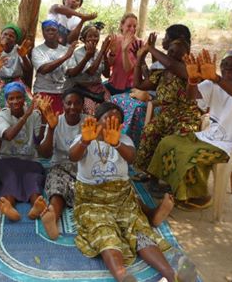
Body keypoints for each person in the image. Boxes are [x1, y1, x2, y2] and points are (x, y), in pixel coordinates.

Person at [68, 102, 188, 282]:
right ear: (97, 121)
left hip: (121, 198)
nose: (111, 125)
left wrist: (116, 143)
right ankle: (123, 276)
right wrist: (85, 141)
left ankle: (172, 275)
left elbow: (131, 158)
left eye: (116, 122)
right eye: (107, 120)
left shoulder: (124, 141)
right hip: (91, 201)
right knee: (103, 231)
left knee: (139, 230)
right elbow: (73, 156)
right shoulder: (84, 137)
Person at [148, 47, 232, 210]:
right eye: (225, 64)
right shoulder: (214, 82)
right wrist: (192, 80)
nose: (227, 68)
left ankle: (198, 197)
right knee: (169, 142)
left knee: (190, 154)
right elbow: (192, 97)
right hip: (210, 136)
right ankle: (175, 187)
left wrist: (216, 78)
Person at [133, 33, 202, 174]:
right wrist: (140, 58)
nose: (171, 55)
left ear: (186, 56)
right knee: (149, 131)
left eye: (177, 53)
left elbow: (170, 63)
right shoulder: (162, 72)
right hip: (165, 116)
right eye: (170, 51)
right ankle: (147, 173)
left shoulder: (189, 70)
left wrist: (150, 48)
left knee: (173, 140)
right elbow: (138, 84)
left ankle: (167, 177)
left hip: (186, 117)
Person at [0, 82, 47, 221]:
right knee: (11, 178)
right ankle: (9, 206)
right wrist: (25, 116)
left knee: (32, 179)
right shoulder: (3, 115)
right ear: (7, 101)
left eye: (19, 97)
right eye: (11, 98)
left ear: (24, 99)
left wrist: (44, 117)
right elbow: (8, 136)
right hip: (5, 159)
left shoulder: (34, 115)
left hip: (29, 159)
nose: (15, 101)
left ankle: (37, 205)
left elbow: (39, 141)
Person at [37, 88, 85, 239]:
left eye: (77, 103)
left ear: (83, 105)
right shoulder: (56, 120)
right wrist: (51, 129)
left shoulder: (88, 122)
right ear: (62, 104)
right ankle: (52, 216)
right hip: (59, 166)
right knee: (57, 190)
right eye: (68, 103)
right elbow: (45, 154)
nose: (72, 107)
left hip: (82, 168)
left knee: (84, 194)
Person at [105, 13, 150, 148]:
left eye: (134, 26)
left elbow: (128, 69)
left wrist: (125, 51)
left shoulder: (139, 44)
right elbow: (109, 65)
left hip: (129, 87)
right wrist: (112, 52)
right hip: (113, 84)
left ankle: (123, 142)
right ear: (122, 26)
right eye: (129, 25)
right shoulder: (116, 40)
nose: (132, 29)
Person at [65, 22, 112, 114]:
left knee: (109, 109)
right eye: (90, 36)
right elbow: (91, 71)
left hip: (99, 88)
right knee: (91, 111)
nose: (94, 39)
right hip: (83, 90)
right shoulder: (78, 53)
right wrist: (102, 51)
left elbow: (106, 75)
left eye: (96, 36)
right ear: (83, 39)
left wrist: (105, 55)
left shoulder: (99, 53)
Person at [32, 19, 77, 113]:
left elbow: (71, 72)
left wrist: (86, 57)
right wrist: (65, 57)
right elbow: (43, 69)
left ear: (58, 33)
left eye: (53, 30)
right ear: (43, 33)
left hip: (64, 92)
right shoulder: (37, 50)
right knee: (45, 122)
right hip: (44, 90)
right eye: (47, 30)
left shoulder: (65, 50)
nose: (50, 32)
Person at [0, 23, 34, 112]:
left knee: (29, 104)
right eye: (5, 34)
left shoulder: (19, 50)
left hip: (16, 81)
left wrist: (24, 56)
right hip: (0, 82)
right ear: (0, 35)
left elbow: (28, 69)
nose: (7, 37)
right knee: (1, 106)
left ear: (15, 40)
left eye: (11, 36)